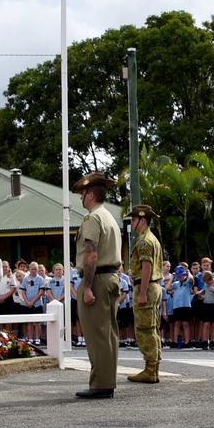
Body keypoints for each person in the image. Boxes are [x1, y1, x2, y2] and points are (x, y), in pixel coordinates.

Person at [72, 171, 122, 399]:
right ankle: (106, 381)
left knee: (97, 334)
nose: (81, 198)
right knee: (109, 333)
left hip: (98, 279)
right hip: (110, 277)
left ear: (90, 194)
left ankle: (100, 384)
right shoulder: (110, 217)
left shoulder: (92, 218)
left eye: (83, 193)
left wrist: (88, 287)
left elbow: (91, 255)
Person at [127, 204, 164, 383]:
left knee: (144, 329)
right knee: (152, 328)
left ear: (142, 220)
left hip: (146, 287)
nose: (132, 223)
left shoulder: (143, 241)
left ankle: (150, 370)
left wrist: (141, 293)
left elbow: (146, 267)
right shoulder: (152, 239)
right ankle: (153, 368)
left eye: (133, 220)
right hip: (153, 286)